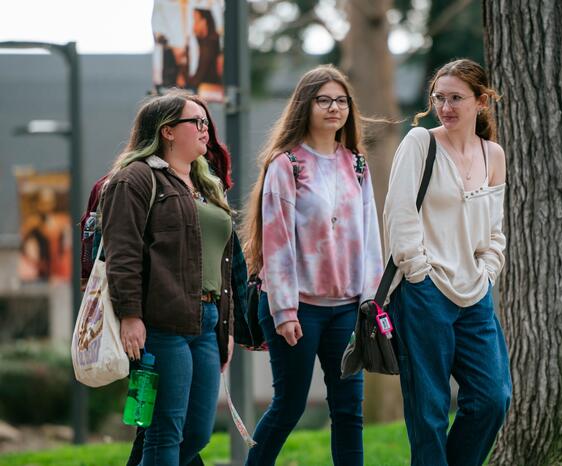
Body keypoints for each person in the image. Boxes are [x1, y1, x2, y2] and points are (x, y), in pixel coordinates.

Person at [241, 64, 384, 466]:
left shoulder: (356, 164)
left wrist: (370, 301)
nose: (334, 108)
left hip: (347, 309)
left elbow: (370, 235)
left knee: (348, 412)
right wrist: (284, 310)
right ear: (306, 105)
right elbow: (277, 242)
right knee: (289, 406)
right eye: (324, 100)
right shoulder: (287, 165)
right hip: (298, 309)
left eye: (341, 100)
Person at [101, 91, 246, 466]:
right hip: (161, 326)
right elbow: (123, 254)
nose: (206, 130)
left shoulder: (205, 183)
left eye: (206, 123)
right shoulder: (134, 179)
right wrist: (130, 315)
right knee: (165, 430)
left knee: (197, 433)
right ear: (167, 131)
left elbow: (222, 262)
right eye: (196, 122)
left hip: (209, 322)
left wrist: (225, 327)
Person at [384, 58, 512, 466]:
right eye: (439, 98)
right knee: (429, 410)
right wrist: (418, 273)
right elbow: (399, 214)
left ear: (482, 100)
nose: (446, 106)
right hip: (424, 293)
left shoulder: (493, 155)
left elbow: (494, 230)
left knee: (494, 397)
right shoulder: (420, 143)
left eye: (456, 98)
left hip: (475, 294)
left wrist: (489, 269)